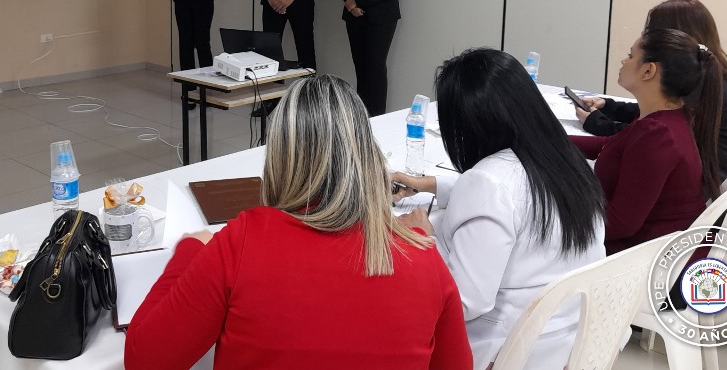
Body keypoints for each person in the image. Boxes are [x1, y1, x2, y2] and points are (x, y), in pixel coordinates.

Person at [125, 75, 472, 369]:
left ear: (279, 156)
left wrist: (190, 249)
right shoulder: (423, 258)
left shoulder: (242, 242)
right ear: (367, 155)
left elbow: (145, 359)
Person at [392, 48, 605, 370]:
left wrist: (423, 239)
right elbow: (517, 198)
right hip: (575, 342)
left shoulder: (489, 182)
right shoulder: (567, 162)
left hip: (508, 351)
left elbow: (466, 302)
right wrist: (427, 183)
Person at [576, 0, 727, 246]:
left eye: (653, 32)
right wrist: (609, 108)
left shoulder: (671, 120)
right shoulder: (691, 90)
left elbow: (646, 143)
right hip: (711, 211)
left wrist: (596, 123)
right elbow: (641, 127)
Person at [570, 28, 723, 254]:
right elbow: (610, 146)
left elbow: (621, 224)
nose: (624, 60)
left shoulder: (657, 134)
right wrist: (546, 138)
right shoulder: (667, 119)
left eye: (631, 56)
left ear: (649, 70)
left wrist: (564, 222)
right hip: (659, 248)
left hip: (648, 261)